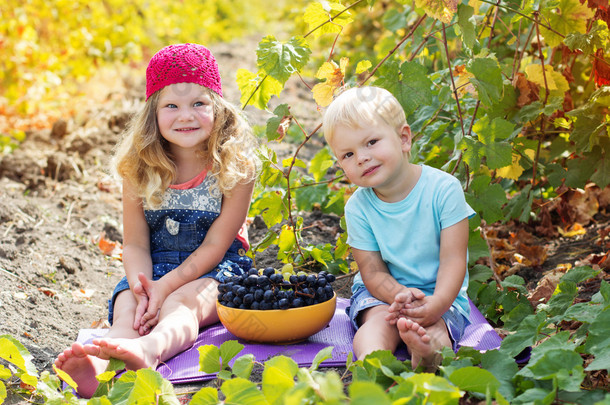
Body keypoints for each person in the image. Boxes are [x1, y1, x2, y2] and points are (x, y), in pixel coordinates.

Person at [54, 43, 259, 397]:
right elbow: (134, 243)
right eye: (171, 106)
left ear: (218, 108)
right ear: (152, 113)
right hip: (154, 271)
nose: (186, 115)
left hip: (215, 271)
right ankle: (99, 363)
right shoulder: (139, 169)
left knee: (182, 306)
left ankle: (149, 351)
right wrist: (143, 286)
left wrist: (167, 289)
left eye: (199, 103)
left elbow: (216, 243)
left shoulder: (235, 168)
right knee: (127, 310)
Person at [322, 86, 475, 370]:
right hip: (383, 295)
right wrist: (399, 297)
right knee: (376, 324)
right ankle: (375, 363)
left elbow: (454, 260)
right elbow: (372, 271)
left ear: (404, 138)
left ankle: (426, 353)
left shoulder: (444, 190)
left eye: (371, 142)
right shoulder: (358, 207)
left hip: (439, 291)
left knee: (437, 330)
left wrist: (436, 304)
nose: (361, 158)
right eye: (347, 155)